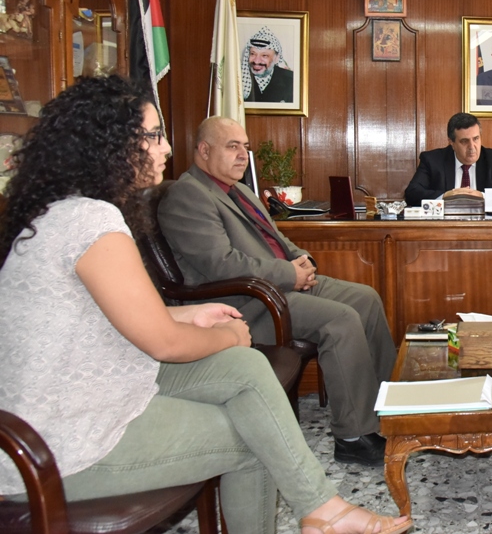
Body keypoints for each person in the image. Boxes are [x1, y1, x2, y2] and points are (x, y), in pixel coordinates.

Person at [0, 76, 411, 534]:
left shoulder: (66, 212)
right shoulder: (90, 220)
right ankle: (324, 509)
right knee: (256, 435)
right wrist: (227, 335)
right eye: (153, 135)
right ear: (109, 145)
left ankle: (326, 506)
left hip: (91, 397)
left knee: (248, 371)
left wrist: (185, 314)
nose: (165, 147)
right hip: (58, 442)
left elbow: (96, 315)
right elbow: (165, 343)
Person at [158, 116, 397, 467]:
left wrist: (303, 260)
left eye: (245, 147)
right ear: (203, 150)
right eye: (232, 147)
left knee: (366, 299)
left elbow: (276, 238)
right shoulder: (188, 195)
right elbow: (220, 264)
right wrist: (289, 274)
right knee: (340, 320)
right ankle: (353, 437)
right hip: (247, 302)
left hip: (280, 284)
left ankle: (388, 409)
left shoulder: (239, 190)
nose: (243, 155)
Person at [403, 112, 492, 205]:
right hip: (445, 225)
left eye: (476, 139)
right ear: (451, 142)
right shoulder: (432, 160)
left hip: (486, 226)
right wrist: (446, 196)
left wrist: (482, 196)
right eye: (464, 141)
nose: (472, 147)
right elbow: (412, 194)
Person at [242, 26, 294, 103]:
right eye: (253, 54)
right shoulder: (238, 79)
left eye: (264, 55)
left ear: (276, 58)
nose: (256, 61)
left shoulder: (291, 80)